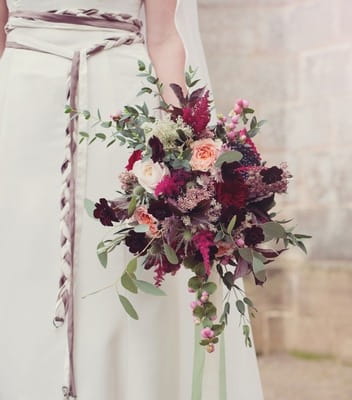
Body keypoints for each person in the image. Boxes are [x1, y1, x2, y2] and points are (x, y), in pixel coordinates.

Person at [0, 1, 264, 399]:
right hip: (22, 106)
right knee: (22, 264)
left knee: (118, 264)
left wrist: (184, 147)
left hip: (120, 103)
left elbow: (163, 38)